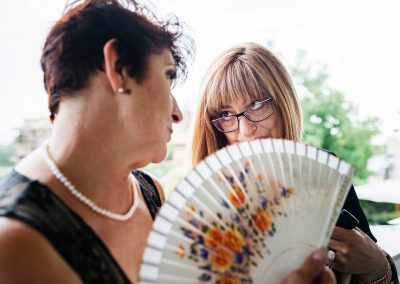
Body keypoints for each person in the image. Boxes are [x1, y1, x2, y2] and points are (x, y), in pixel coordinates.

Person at [0, 0, 193, 282]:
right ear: (118, 67)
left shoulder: (150, 193)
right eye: (169, 75)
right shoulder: (15, 244)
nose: (177, 114)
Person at [191, 42, 398, 284]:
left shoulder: (326, 171)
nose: (246, 129)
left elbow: (372, 269)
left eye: (256, 105)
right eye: (226, 114)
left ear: (283, 102)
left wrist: (379, 268)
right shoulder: (207, 204)